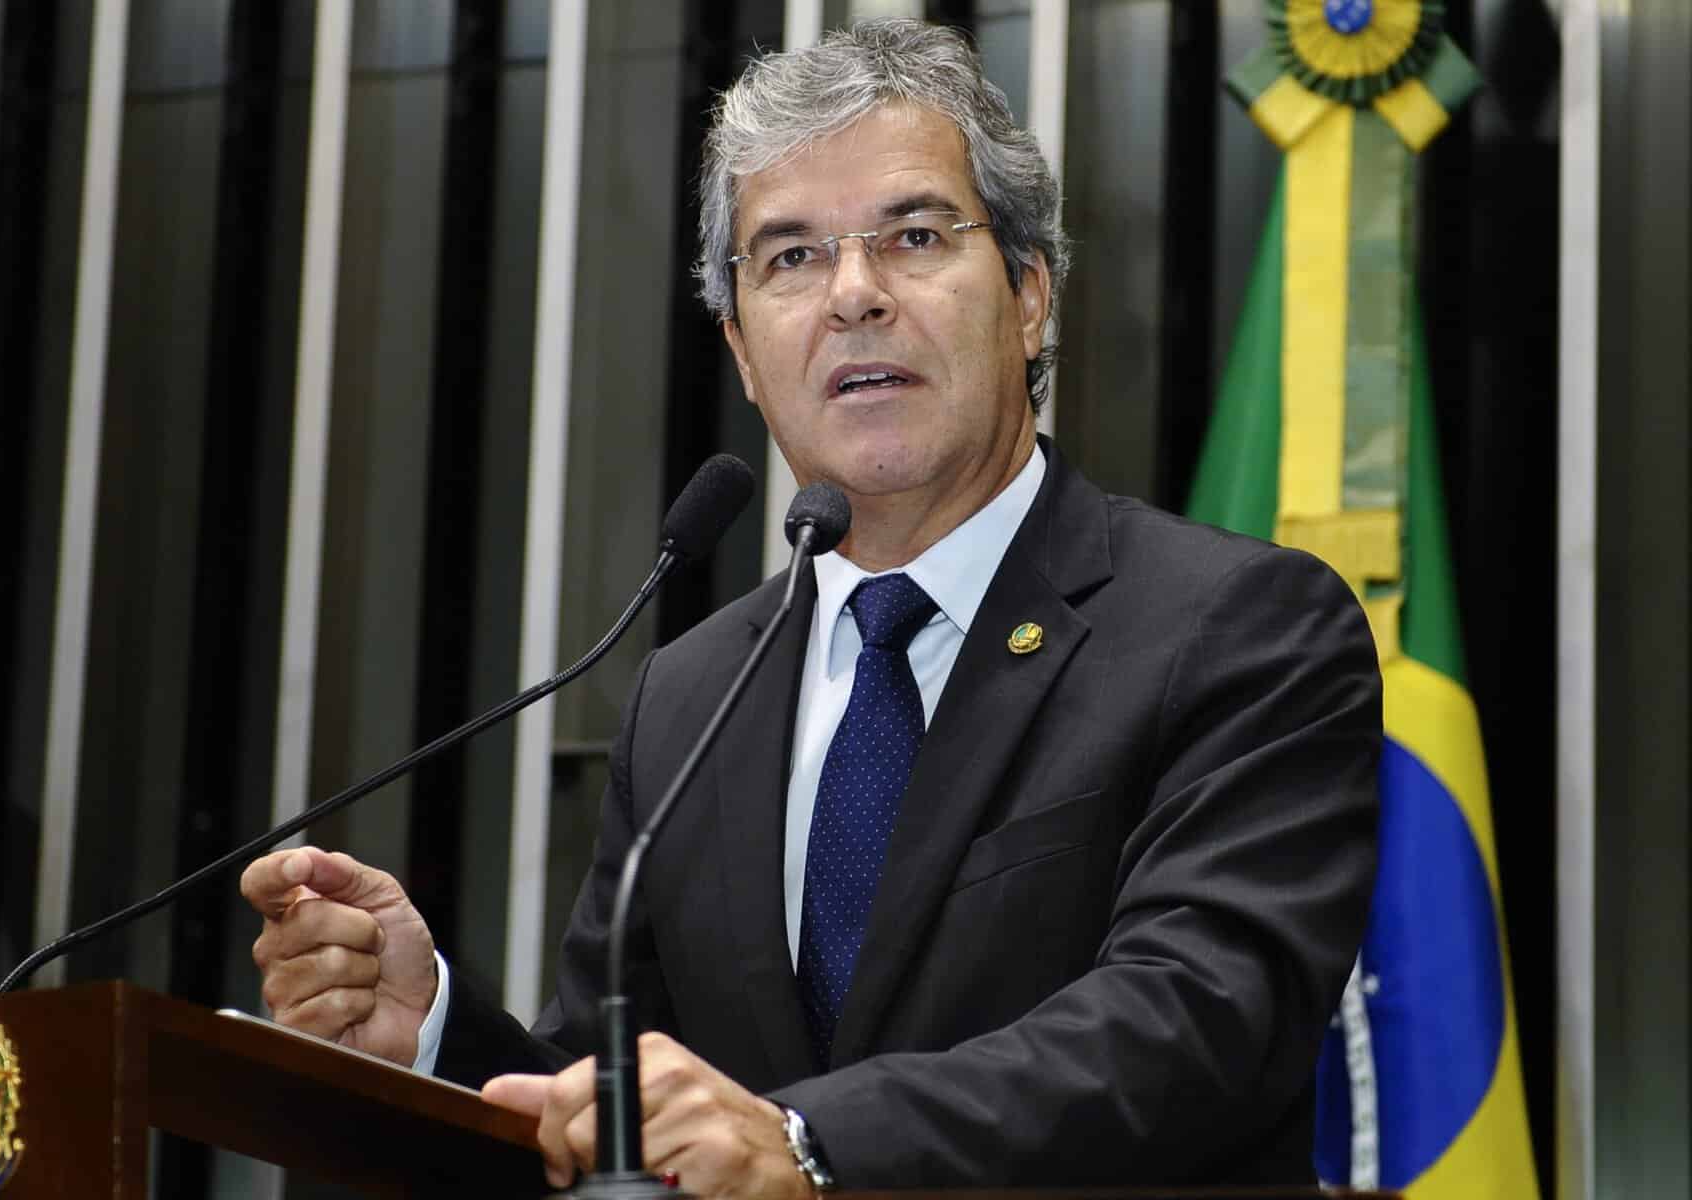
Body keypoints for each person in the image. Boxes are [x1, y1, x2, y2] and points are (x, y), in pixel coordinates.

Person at [241, 19, 1379, 1198]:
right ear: (741, 349)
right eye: (789, 256)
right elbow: (613, 1108)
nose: (852, 295)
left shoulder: (1235, 624)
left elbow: (1198, 1021)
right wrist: (430, 1033)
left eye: (914, 236)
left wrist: (809, 1145)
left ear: (1029, 296)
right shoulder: (690, 697)